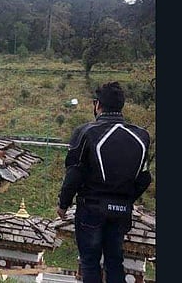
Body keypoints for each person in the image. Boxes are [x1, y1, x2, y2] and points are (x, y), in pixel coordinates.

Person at [56, 81, 152, 283]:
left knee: (90, 262)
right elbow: (144, 178)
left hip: (91, 207)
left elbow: (74, 173)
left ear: (97, 105)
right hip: (121, 210)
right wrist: (127, 198)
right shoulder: (141, 136)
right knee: (115, 261)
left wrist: (63, 204)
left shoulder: (86, 132)